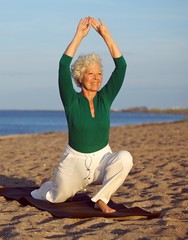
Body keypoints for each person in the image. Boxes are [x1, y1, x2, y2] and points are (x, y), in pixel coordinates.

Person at [31, 17, 133, 213]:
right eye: (90, 74)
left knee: (125, 158)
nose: (96, 79)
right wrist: (79, 35)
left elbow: (122, 67)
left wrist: (106, 35)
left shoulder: (106, 97)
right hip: (74, 162)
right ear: (79, 77)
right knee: (56, 198)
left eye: (98, 74)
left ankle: (101, 199)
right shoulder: (71, 100)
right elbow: (62, 65)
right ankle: (46, 185)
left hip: (102, 160)